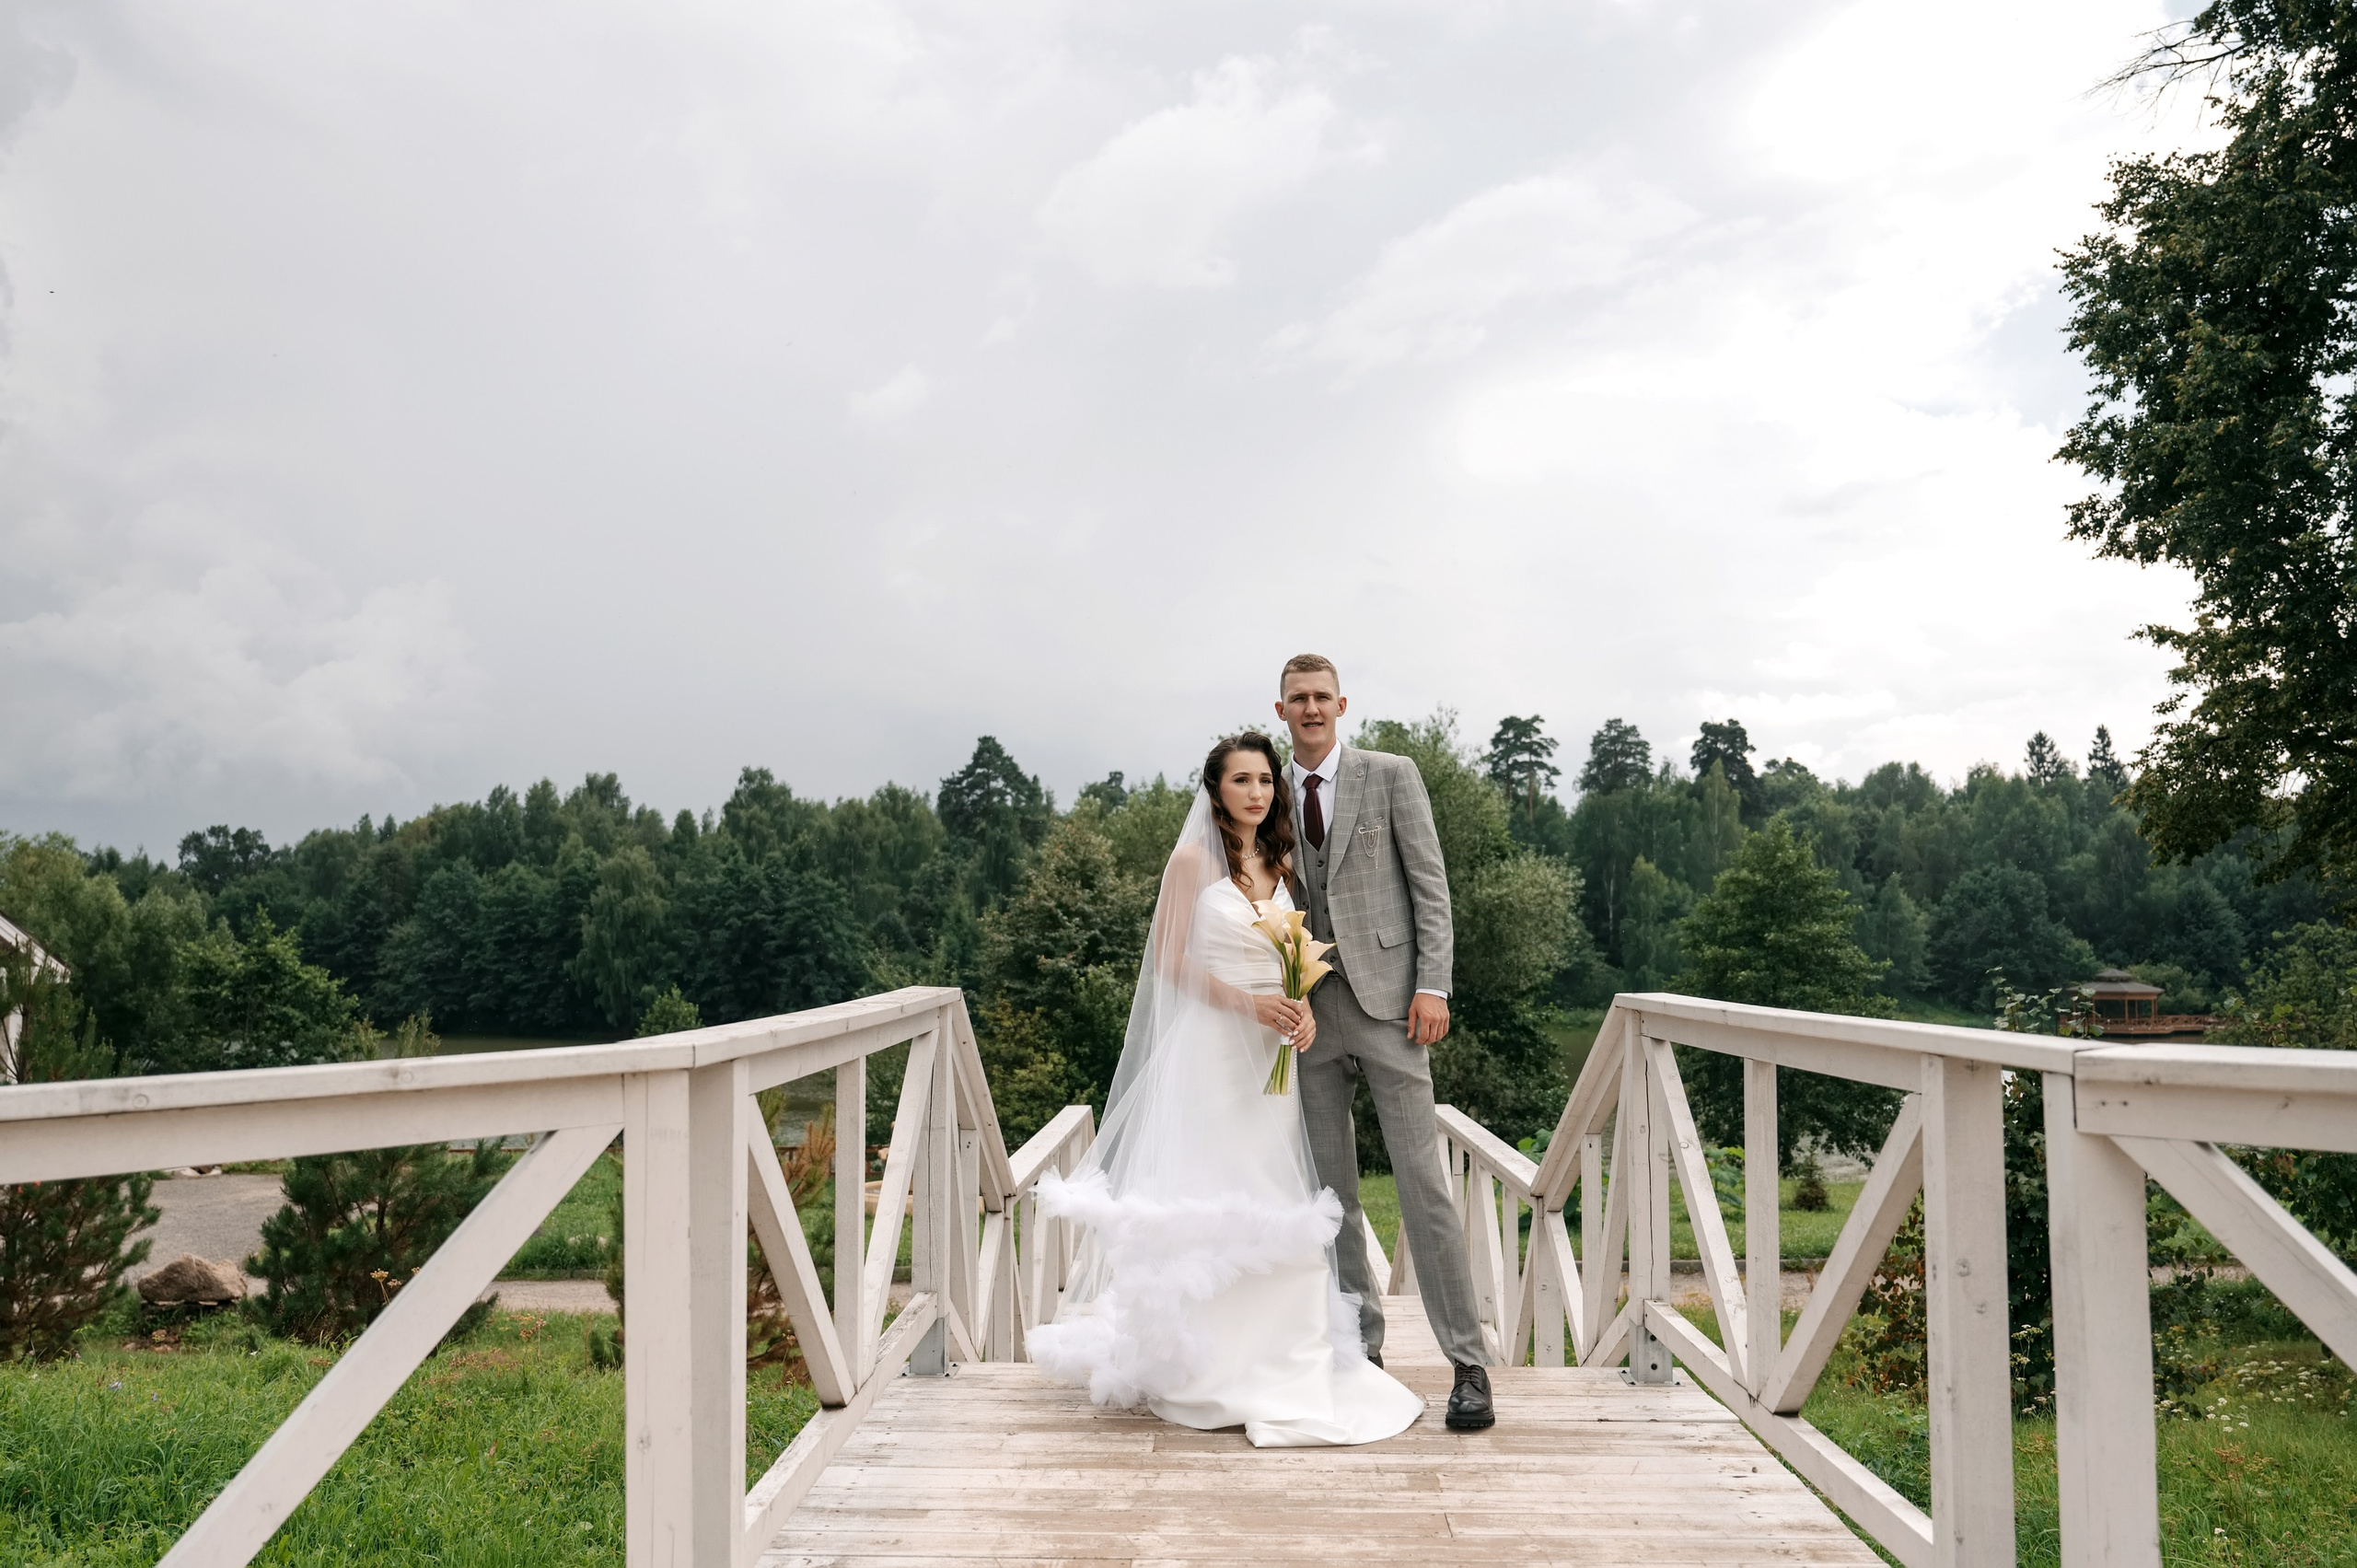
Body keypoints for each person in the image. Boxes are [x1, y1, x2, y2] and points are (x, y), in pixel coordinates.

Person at [1026, 730, 1424, 1446]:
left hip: (1270, 1060)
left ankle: (1280, 1355)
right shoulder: (1190, 861)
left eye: (1266, 780)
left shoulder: (1281, 860)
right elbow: (1171, 965)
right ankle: (1203, 1364)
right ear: (1215, 790)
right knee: (1212, 1192)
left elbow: (1296, 956)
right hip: (1213, 1053)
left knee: (1276, 1192)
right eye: (1242, 780)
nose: (1258, 791)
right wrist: (1252, 1006)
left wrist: (1298, 1009)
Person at [1277, 653, 1496, 1431]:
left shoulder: (1391, 773)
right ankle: (1359, 1353)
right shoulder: (1267, 788)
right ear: (1281, 711)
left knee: (1422, 1185)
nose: (1310, 709)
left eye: (1320, 698)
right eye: (1297, 699)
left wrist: (1433, 985)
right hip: (1304, 1019)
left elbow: (1429, 885)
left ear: (1341, 704)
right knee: (1329, 1193)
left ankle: (1467, 1362)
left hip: (1392, 1007)